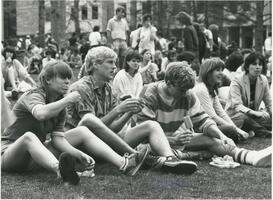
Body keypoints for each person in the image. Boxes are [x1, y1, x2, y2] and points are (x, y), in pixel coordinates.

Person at [1, 61, 151, 186]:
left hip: (35, 154)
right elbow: (41, 114)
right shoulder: (34, 95)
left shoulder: (60, 106)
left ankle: (124, 164)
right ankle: (60, 171)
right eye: (63, 78)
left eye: (68, 78)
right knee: (29, 136)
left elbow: (58, 139)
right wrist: (67, 99)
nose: (67, 81)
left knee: (83, 131)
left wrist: (79, 154)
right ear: (48, 79)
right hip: (9, 153)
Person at [66, 46, 198, 175]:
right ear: (95, 64)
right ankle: (138, 157)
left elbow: (110, 130)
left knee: (152, 125)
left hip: (103, 145)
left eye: (115, 63)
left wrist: (129, 112)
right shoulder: (81, 88)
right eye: (110, 62)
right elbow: (90, 127)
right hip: (81, 147)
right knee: (90, 119)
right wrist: (119, 109)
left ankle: (170, 159)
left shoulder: (109, 89)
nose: (115, 67)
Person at [136, 61, 271, 167]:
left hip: (174, 138)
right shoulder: (149, 94)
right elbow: (144, 135)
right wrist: (172, 140)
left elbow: (203, 120)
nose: (185, 94)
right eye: (181, 90)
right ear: (169, 84)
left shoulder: (188, 94)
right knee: (145, 150)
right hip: (149, 143)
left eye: (187, 90)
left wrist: (222, 135)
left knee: (212, 139)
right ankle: (181, 155)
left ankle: (250, 156)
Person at [194, 58, 249, 143]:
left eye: (222, 70)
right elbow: (212, 115)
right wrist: (236, 130)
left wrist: (237, 129)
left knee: (241, 119)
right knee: (230, 130)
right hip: (200, 127)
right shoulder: (201, 89)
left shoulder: (212, 89)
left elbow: (221, 112)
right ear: (208, 72)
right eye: (217, 70)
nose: (221, 73)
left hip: (210, 124)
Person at [225, 52, 272, 137]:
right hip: (236, 115)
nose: (257, 67)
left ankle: (255, 129)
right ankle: (264, 132)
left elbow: (269, 103)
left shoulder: (263, 80)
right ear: (247, 66)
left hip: (253, 116)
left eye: (260, 64)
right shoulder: (237, 80)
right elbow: (237, 105)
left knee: (268, 118)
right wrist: (255, 112)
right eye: (254, 64)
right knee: (243, 118)